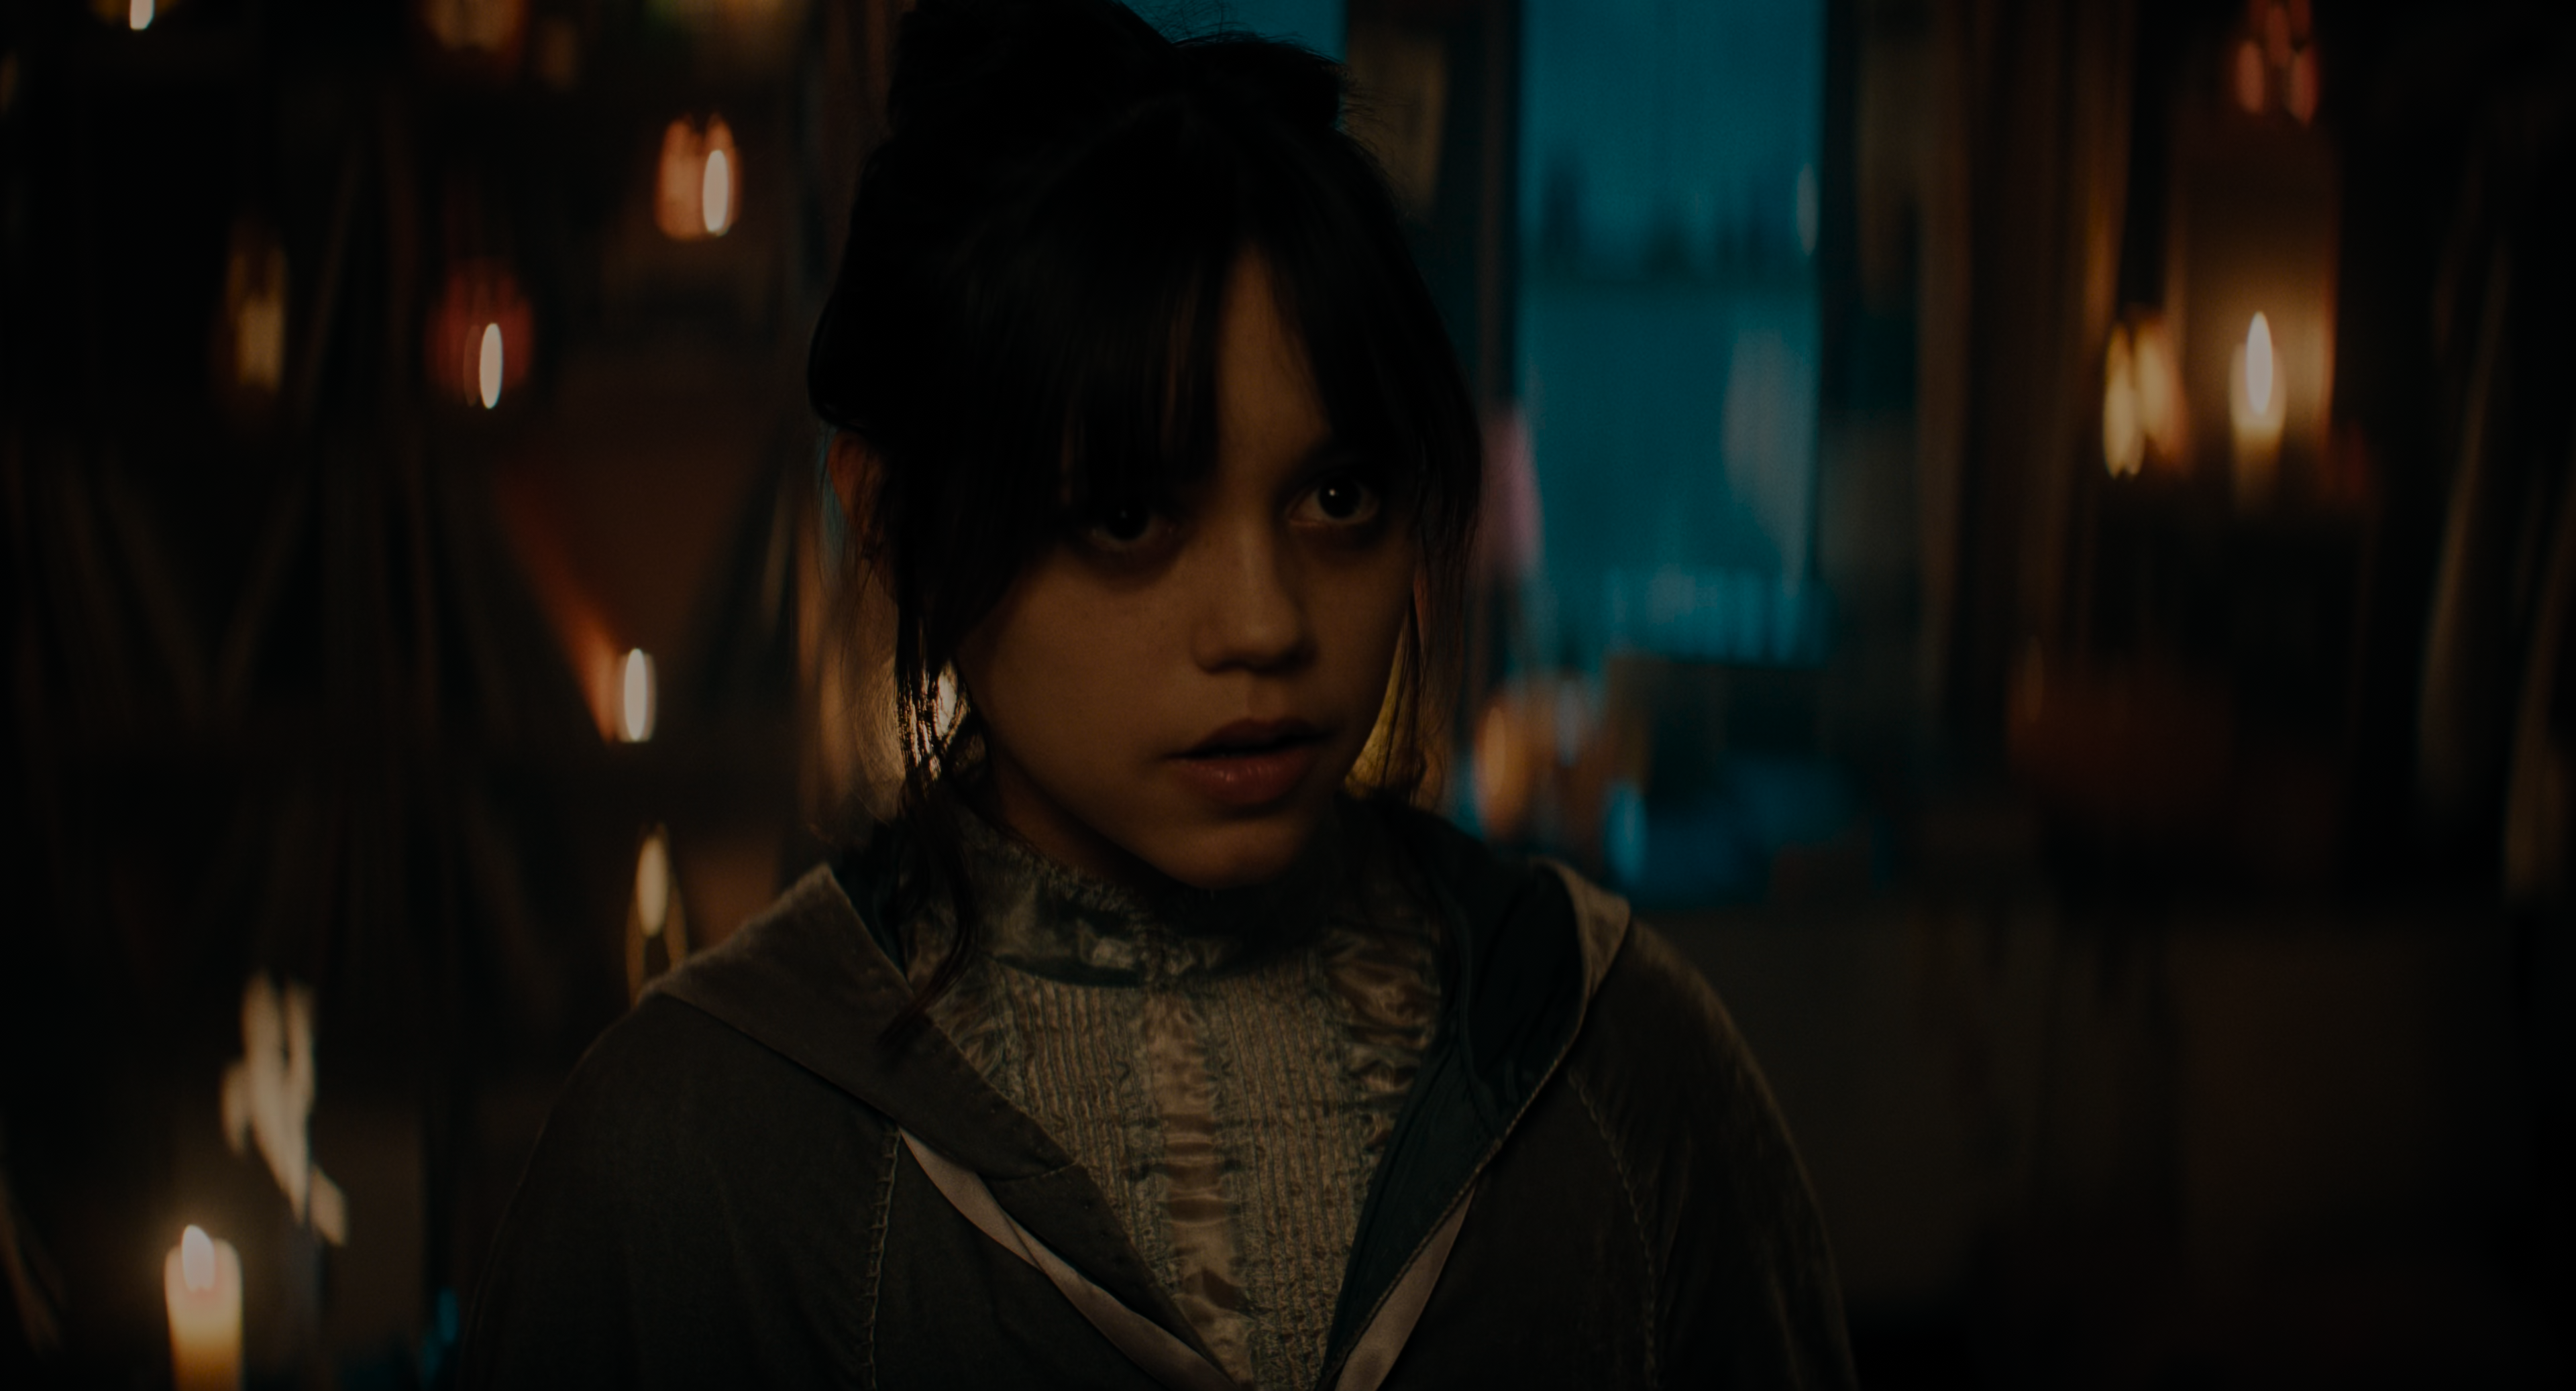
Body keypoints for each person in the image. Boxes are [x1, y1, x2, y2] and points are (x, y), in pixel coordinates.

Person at [460, 1, 1854, 1387]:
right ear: (892, 518)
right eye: (1127, 516)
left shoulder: (1616, 1059)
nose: (1265, 623)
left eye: (1338, 496)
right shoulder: (692, 1151)